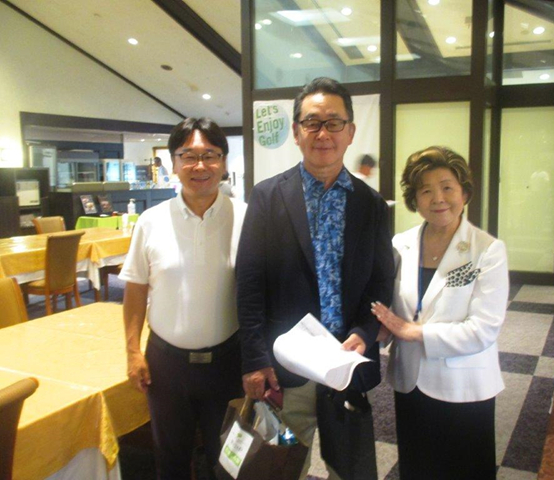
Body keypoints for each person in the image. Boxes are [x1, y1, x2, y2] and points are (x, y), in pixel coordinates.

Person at [236, 77, 394, 479]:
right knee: (279, 469)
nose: (323, 133)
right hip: (286, 369)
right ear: (296, 132)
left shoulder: (372, 205)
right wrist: (255, 359)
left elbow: (380, 282)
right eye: (312, 123)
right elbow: (249, 284)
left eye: (334, 123)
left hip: (346, 361)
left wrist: (365, 330)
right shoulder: (267, 197)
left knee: (352, 470)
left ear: (350, 132)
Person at [371, 146, 509, 480]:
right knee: (417, 467)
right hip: (410, 380)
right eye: (426, 191)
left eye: (447, 187)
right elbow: (392, 307)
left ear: (464, 192)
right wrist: (380, 330)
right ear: (414, 199)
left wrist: (414, 332)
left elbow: (483, 329)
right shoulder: (400, 244)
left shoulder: (487, 249)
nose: (438, 199)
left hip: (463, 384)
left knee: (463, 470)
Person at [120, 118, 246, 479]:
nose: (200, 166)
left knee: (229, 462)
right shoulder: (150, 221)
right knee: (170, 460)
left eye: (210, 155)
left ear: (223, 162)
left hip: (228, 361)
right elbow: (135, 289)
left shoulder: (247, 217)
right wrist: (132, 351)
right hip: (166, 365)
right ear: (173, 163)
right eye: (188, 156)